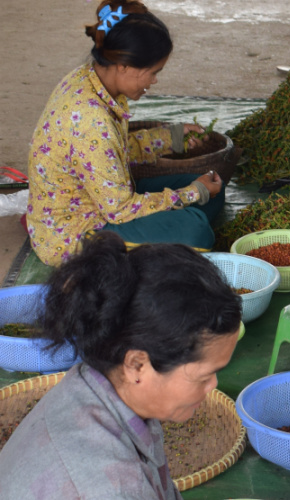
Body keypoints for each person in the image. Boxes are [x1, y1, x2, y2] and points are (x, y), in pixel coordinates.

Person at [0, 232, 242, 499]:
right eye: (204, 376)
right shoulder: (115, 488)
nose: (214, 386)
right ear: (137, 365)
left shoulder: (90, 384)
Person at [25, 0, 224, 267]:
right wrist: (193, 192)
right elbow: (119, 208)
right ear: (124, 65)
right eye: (153, 72)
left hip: (104, 198)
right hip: (77, 233)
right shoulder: (89, 118)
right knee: (196, 231)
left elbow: (112, 149)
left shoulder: (91, 79)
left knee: (215, 191)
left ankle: (179, 221)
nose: (154, 81)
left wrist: (171, 137)